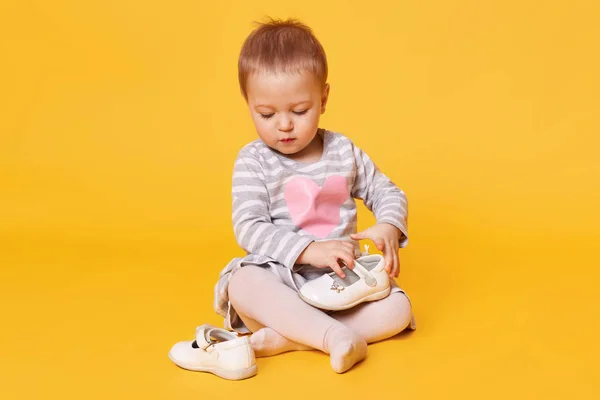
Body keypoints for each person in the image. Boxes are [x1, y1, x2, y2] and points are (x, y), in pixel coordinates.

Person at [213, 18, 415, 374]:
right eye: (267, 113)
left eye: (299, 110)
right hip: (282, 280)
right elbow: (249, 227)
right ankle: (330, 337)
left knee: (399, 310)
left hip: (343, 284)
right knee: (242, 283)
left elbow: (387, 190)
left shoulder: (343, 152)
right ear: (248, 104)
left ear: (323, 99)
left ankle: (294, 338)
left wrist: (388, 225)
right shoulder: (253, 160)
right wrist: (307, 250)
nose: (285, 124)